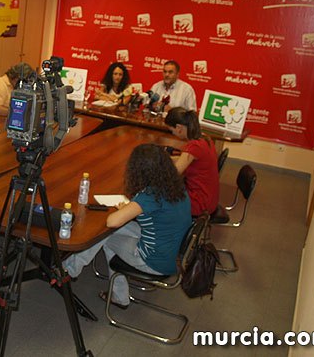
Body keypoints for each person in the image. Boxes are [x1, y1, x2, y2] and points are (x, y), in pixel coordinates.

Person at [63, 143, 191, 309]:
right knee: (117, 229)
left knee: (105, 235)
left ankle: (70, 271)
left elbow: (112, 221)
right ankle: (73, 269)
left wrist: (127, 210)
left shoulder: (150, 195)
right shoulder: (175, 187)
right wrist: (130, 209)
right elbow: (157, 214)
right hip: (169, 249)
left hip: (153, 260)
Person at [165, 107, 219, 217]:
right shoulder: (204, 139)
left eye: (172, 130)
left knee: (157, 199)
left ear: (179, 128)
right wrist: (162, 158)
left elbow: (174, 174)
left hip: (200, 203)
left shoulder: (194, 146)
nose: (173, 134)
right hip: (210, 198)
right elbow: (183, 159)